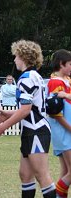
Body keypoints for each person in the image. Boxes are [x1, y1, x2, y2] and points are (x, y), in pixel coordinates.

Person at [0, 40, 56, 198]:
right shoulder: (35, 76)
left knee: (42, 175)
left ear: (24, 57)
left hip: (36, 131)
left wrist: (3, 126)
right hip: (32, 130)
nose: (14, 60)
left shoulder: (26, 78)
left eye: (16, 56)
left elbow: (26, 110)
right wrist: (9, 114)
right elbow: (33, 108)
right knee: (25, 175)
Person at [46, 49, 71, 198]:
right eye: (70, 64)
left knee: (65, 172)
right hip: (63, 132)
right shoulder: (56, 82)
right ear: (62, 64)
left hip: (66, 132)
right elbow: (55, 112)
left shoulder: (65, 81)